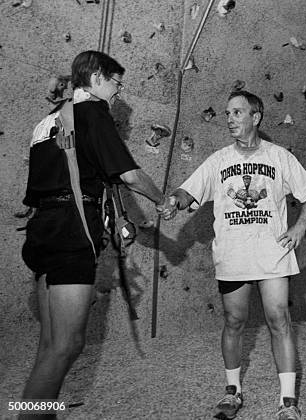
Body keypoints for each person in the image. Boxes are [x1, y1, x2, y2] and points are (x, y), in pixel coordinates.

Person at [20, 50, 171, 418]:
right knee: (68, 345)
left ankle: (39, 413)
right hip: (73, 231)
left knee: (49, 345)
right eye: (117, 83)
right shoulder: (93, 114)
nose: (118, 92)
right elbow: (130, 175)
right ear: (99, 77)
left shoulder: (48, 122)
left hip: (43, 230)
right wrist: (162, 201)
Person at [162, 90, 306, 420]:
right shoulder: (219, 160)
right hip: (233, 255)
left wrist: (301, 226)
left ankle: (288, 403)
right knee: (234, 321)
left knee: (280, 320)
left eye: (237, 112)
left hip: (272, 253)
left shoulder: (279, 157)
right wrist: (174, 202)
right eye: (227, 113)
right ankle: (232, 392)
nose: (230, 118)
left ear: (255, 117)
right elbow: (187, 190)